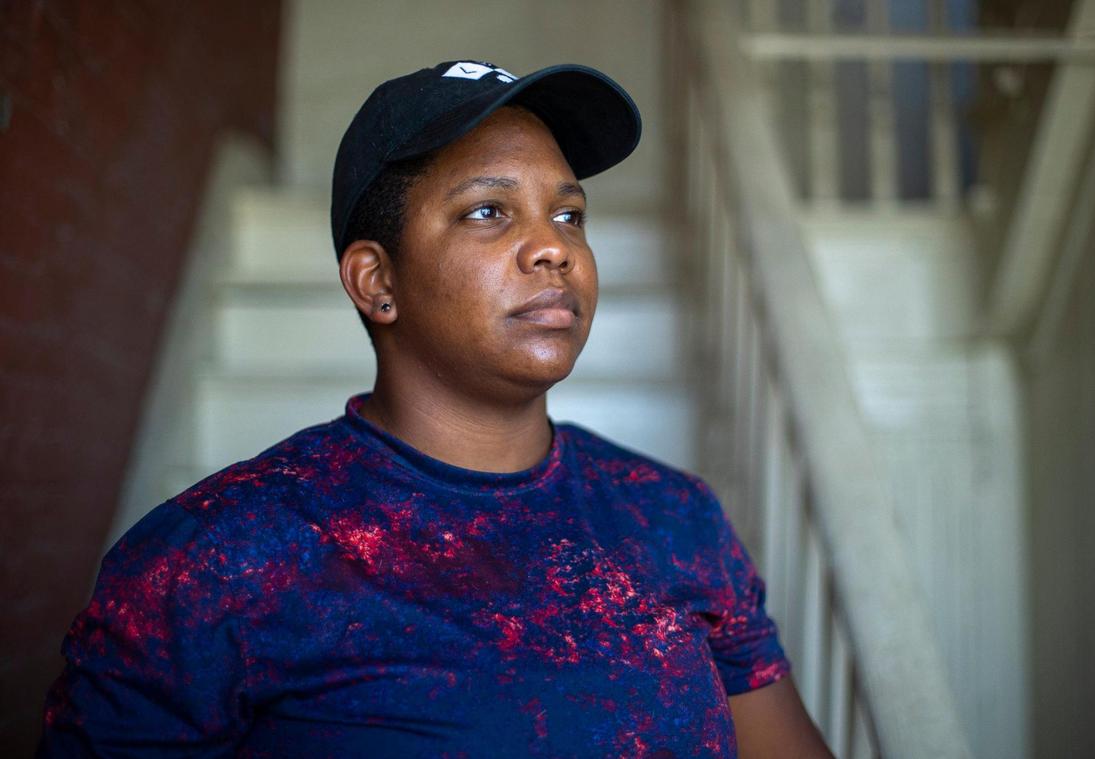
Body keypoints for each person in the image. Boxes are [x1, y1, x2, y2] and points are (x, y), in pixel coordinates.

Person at [39, 60, 831, 757]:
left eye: (569, 214)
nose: (553, 246)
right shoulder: (213, 560)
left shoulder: (674, 517)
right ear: (376, 281)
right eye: (489, 210)